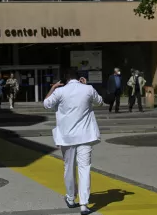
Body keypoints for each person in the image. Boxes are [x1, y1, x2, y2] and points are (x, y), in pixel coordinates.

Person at [43, 69, 103, 215]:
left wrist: (53, 87)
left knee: (68, 168)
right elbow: (100, 102)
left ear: (64, 80)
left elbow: (46, 104)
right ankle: (84, 204)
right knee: (85, 168)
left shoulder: (60, 91)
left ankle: (70, 198)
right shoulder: (88, 89)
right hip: (85, 136)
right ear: (80, 78)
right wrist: (86, 86)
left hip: (67, 137)